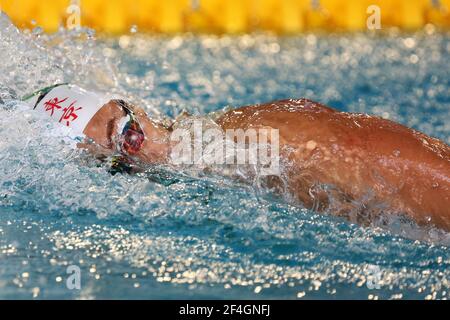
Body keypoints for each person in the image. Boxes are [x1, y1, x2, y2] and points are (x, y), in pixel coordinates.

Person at [24, 84, 450, 231]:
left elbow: (358, 148)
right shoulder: (208, 161)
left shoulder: (246, 141)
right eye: (117, 164)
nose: (141, 157)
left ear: (137, 110)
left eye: (131, 135)